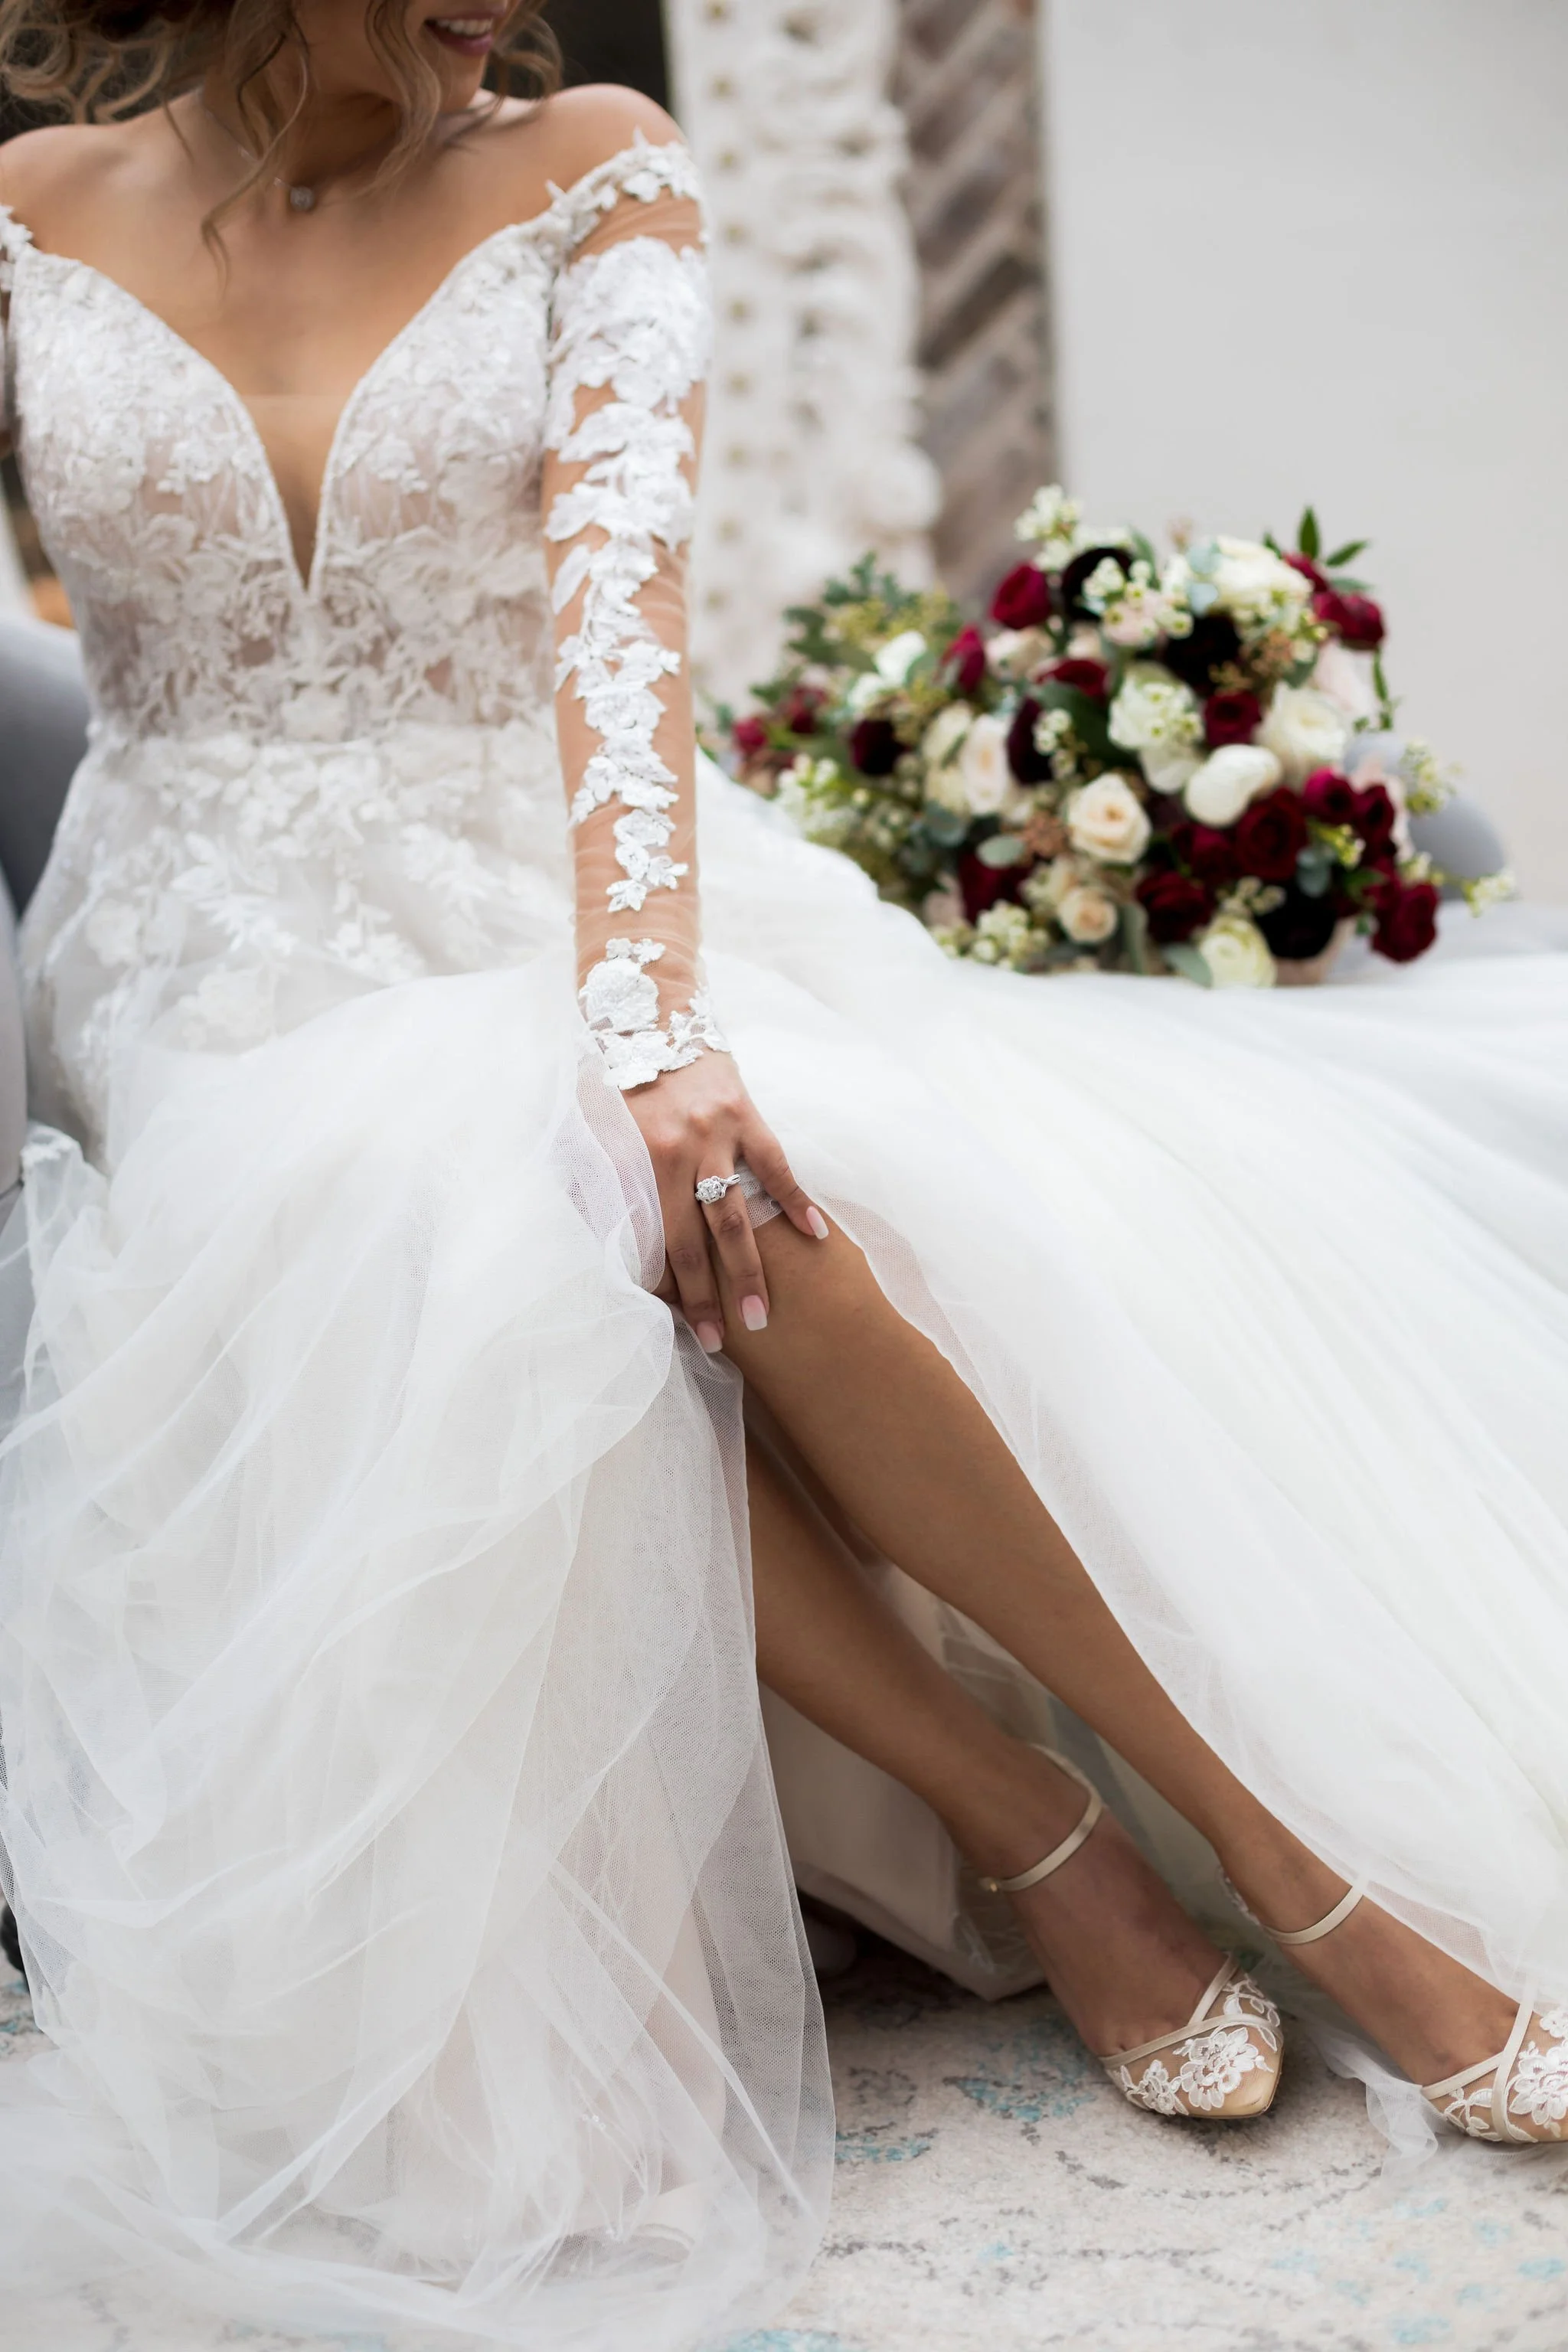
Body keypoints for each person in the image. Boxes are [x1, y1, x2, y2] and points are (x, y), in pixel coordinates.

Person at [0, 1, 1565, 2341]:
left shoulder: (596, 162)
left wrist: (648, 1020)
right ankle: (1041, 1843)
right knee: (472, 1217)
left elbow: (621, 626)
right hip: (199, 983)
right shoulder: (24, 220)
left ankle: (1267, 1850)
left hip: (552, 884)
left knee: (711, 1194)